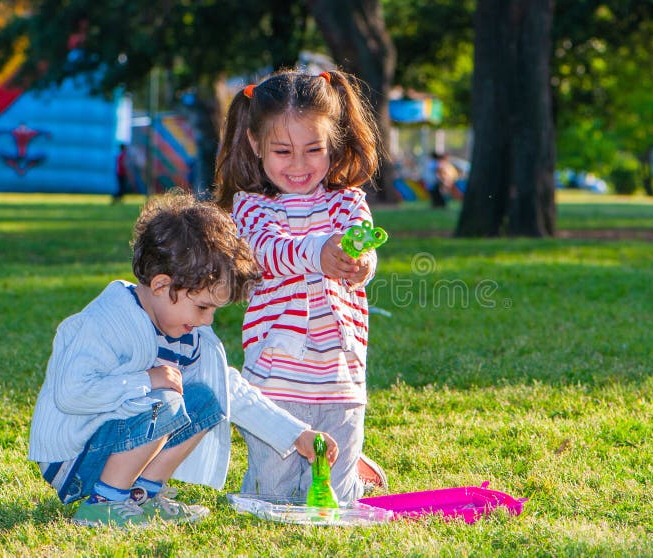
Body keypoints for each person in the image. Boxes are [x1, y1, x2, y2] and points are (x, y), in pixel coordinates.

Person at [28, 191, 338, 527]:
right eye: (202, 307)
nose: (207, 321)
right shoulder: (107, 321)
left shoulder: (185, 332)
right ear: (161, 285)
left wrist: (296, 434)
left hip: (118, 443)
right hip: (78, 458)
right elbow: (71, 392)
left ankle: (142, 495)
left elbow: (232, 391)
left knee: (206, 399)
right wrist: (146, 380)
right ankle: (103, 501)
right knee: (166, 401)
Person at [213, 68, 388, 503]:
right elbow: (267, 250)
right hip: (276, 379)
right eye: (283, 150)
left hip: (341, 377)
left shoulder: (349, 200)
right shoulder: (250, 207)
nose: (298, 165)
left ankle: (352, 471)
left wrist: (362, 262)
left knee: (340, 500)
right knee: (270, 493)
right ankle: (308, 475)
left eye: (314, 149)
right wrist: (318, 252)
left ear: (333, 143)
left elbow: (363, 243)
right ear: (255, 144)